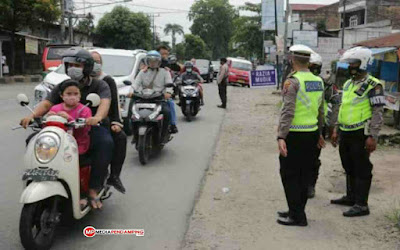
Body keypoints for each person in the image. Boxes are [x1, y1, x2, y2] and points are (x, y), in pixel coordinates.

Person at [20, 47, 113, 209]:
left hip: (88, 126)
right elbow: (47, 103)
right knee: (33, 140)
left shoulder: (100, 85)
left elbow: (104, 104)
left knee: (105, 142)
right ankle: (40, 175)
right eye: (69, 65)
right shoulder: (62, 85)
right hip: (63, 128)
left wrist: (96, 118)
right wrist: (32, 116)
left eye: (77, 66)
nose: (72, 69)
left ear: (88, 67)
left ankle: (93, 188)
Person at [330, 47, 384, 217]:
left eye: (353, 63)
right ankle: (351, 196)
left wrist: (372, 136)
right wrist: (336, 129)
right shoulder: (348, 84)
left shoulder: (374, 85)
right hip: (345, 131)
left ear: (363, 63)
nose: (350, 66)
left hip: (361, 133)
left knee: (362, 168)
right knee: (348, 165)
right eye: (350, 63)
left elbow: (377, 112)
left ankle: (362, 204)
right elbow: (343, 107)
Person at [277, 45, 325, 227]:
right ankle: (296, 210)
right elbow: (320, 111)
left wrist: (281, 136)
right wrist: (320, 133)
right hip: (311, 134)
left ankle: (297, 216)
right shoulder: (318, 81)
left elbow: (288, 111)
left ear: (292, 60)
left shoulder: (293, 82)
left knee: (289, 174)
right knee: (304, 175)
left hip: (295, 135)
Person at [91, 51, 127, 194]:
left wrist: (116, 122)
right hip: (77, 121)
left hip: (100, 121)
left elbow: (113, 105)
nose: (94, 65)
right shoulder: (76, 80)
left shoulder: (106, 80)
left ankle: (114, 176)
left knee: (119, 137)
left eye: (97, 61)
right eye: (91, 61)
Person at [307, 52, 340, 198]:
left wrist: (333, 125)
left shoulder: (325, 85)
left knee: (313, 159)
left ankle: (310, 186)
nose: (314, 70)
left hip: (318, 127)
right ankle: (300, 186)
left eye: (316, 67)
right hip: (299, 125)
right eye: (312, 66)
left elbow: (336, 102)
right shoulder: (297, 81)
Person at [130, 50, 173, 141]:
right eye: (150, 61)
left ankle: (163, 135)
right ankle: (135, 134)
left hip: (158, 99)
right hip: (143, 98)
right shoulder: (142, 72)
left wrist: (168, 93)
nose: (153, 63)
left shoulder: (165, 72)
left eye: (155, 61)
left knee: (167, 112)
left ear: (159, 62)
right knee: (133, 113)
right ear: (147, 61)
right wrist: (131, 92)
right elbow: (135, 84)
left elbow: (169, 84)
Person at [48, 80, 92, 155]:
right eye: (69, 94)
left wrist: (69, 118)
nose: (72, 96)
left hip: (78, 145)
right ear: (62, 95)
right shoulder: (55, 109)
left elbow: (86, 128)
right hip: (56, 143)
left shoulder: (85, 110)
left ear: (80, 95)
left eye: (75, 94)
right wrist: (48, 118)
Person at [156, 45, 179, 134]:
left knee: (170, 103)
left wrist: (168, 92)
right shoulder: (145, 68)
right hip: (147, 93)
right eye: (162, 54)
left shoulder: (166, 68)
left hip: (162, 91)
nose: (164, 56)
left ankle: (172, 125)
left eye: (166, 54)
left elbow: (177, 69)